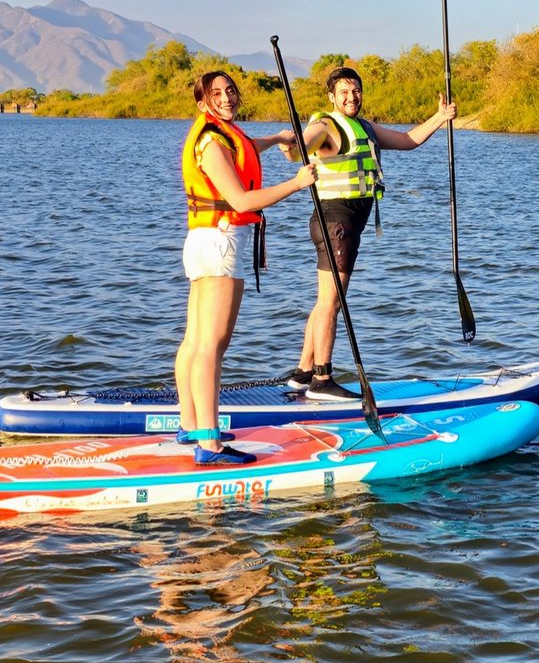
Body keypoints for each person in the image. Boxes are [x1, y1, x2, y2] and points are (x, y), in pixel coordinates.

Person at [282, 66, 456, 401]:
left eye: (356, 91)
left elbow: (407, 141)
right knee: (332, 302)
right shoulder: (326, 125)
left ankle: (303, 372)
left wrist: (440, 117)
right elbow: (302, 146)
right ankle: (322, 379)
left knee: (325, 301)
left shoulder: (364, 127)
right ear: (331, 97)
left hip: (346, 224)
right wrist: (292, 149)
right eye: (344, 92)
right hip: (336, 221)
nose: (351, 97)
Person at [176, 70, 316, 466]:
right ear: (202, 103)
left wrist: (277, 139)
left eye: (230, 90)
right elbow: (240, 200)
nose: (226, 97)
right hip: (220, 243)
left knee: (194, 341)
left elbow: (246, 146)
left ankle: (190, 424)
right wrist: (296, 182)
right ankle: (209, 441)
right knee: (211, 346)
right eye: (215, 93)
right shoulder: (210, 142)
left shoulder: (219, 134)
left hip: (205, 240)